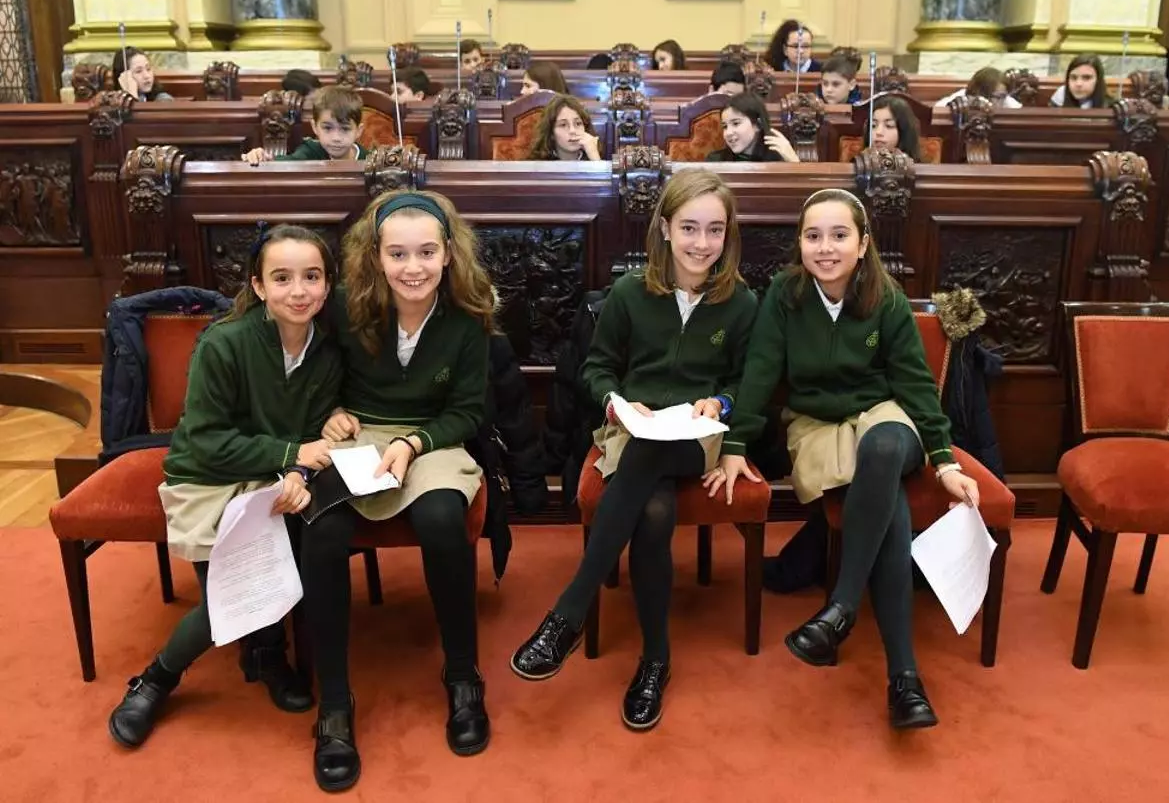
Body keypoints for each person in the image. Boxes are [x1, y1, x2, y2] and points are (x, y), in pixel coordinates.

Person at [709, 188, 980, 730]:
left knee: (882, 449)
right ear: (800, 244)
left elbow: (915, 384)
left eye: (839, 236)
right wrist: (735, 446)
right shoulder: (785, 295)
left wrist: (944, 460)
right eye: (813, 236)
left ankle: (841, 608)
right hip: (817, 425)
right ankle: (904, 679)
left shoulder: (887, 297)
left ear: (863, 243)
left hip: (884, 418)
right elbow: (759, 373)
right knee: (888, 501)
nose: (825, 248)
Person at [511, 168, 758, 732]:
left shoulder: (742, 302)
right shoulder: (628, 292)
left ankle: (570, 612)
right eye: (689, 227)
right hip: (632, 428)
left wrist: (720, 402)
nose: (701, 243)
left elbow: (750, 379)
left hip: (699, 436)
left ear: (728, 234)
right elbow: (596, 368)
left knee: (648, 462)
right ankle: (655, 661)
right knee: (653, 509)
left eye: (714, 230)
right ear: (665, 228)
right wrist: (617, 402)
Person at [106, 224, 342, 748]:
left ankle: (266, 655)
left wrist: (300, 470)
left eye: (311, 277)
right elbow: (206, 442)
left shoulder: (327, 351)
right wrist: (291, 456)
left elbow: (311, 433)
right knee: (231, 596)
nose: (298, 291)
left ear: (327, 285)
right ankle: (156, 679)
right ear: (258, 285)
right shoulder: (224, 341)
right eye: (281, 278)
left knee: (297, 561)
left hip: (272, 476)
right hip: (208, 479)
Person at [302, 190, 497, 791]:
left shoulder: (468, 315)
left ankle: (462, 677)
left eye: (427, 252)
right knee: (322, 528)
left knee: (440, 519)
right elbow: (317, 378)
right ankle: (335, 703)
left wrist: (415, 443)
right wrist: (332, 412)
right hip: (359, 435)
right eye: (398, 254)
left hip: (432, 439)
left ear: (449, 254)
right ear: (376, 256)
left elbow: (468, 411)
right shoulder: (344, 306)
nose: (413, 267)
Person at [242, 86, 367, 165]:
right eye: (327, 128)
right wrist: (261, 156)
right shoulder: (310, 151)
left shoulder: (369, 160)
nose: (336, 138)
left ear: (358, 131)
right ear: (315, 127)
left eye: (345, 129)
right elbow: (281, 163)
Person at [706, 92, 799, 162]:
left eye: (736, 123)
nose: (728, 133)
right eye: (725, 126)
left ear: (758, 124)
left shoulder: (779, 159)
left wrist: (794, 162)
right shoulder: (715, 161)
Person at [527, 94, 602, 160]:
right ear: (551, 133)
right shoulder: (536, 165)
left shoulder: (595, 157)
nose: (572, 130)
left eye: (578, 123)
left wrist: (595, 158)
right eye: (563, 125)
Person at [864, 95, 922, 161]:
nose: (878, 132)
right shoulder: (858, 163)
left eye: (889, 125)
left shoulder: (918, 166)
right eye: (873, 125)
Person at [936, 66, 1022, 108]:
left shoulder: (1005, 100)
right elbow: (938, 109)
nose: (1000, 102)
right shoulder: (960, 100)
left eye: (1003, 96)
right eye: (998, 97)